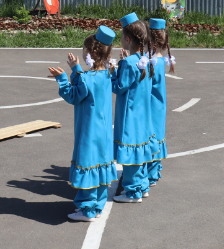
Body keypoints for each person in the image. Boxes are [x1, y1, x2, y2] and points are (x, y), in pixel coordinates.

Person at [48, 26, 117, 222]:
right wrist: (77, 70)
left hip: (88, 131)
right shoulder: (108, 74)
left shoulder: (86, 79)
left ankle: (86, 208)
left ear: (89, 54)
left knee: (87, 163)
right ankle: (97, 206)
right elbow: (86, 82)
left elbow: (73, 95)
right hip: (104, 131)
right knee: (101, 164)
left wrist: (62, 78)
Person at [112, 13, 158, 203]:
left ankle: (133, 192)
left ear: (128, 39)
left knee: (131, 155)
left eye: (122, 36)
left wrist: (113, 71)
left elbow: (119, 87)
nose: (120, 40)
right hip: (142, 116)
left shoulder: (128, 63)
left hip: (129, 116)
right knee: (139, 152)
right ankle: (142, 186)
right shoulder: (145, 60)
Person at [147, 18, 174, 187]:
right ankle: (154, 172)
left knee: (150, 137)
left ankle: (149, 175)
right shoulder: (162, 60)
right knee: (157, 136)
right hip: (159, 106)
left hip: (150, 105)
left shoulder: (152, 63)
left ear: (150, 41)